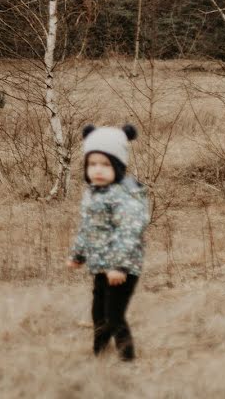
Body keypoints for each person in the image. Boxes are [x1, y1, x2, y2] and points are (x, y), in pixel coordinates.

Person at [67, 124, 149, 361]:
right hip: (100, 265)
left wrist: (119, 267)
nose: (98, 170)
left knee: (114, 316)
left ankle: (127, 361)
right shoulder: (93, 193)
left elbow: (128, 233)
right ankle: (99, 357)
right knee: (98, 316)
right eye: (92, 164)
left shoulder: (127, 196)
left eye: (105, 164)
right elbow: (88, 229)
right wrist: (78, 254)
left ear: (119, 167)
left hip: (123, 268)